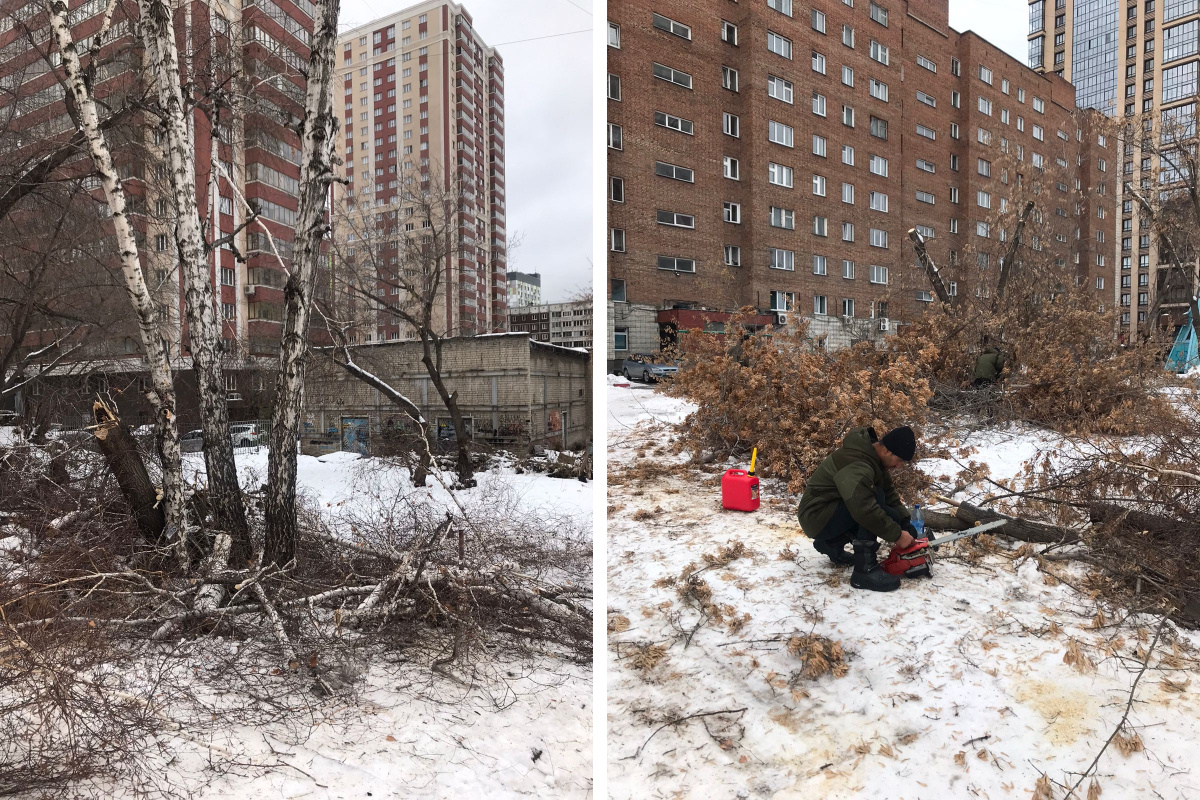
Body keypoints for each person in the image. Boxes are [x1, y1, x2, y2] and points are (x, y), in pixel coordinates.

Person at [796, 425, 919, 592]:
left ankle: (831, 544)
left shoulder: (873, 458)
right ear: (887, 451)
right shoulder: (858, 462)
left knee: (888, 510)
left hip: (830, 512)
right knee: (874, 498)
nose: (899, 467)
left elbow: (890, 495)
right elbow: (864, 508)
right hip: (815, 516)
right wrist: (897, 535)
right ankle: (864, 571)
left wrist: (905, 523)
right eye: (900, 461)